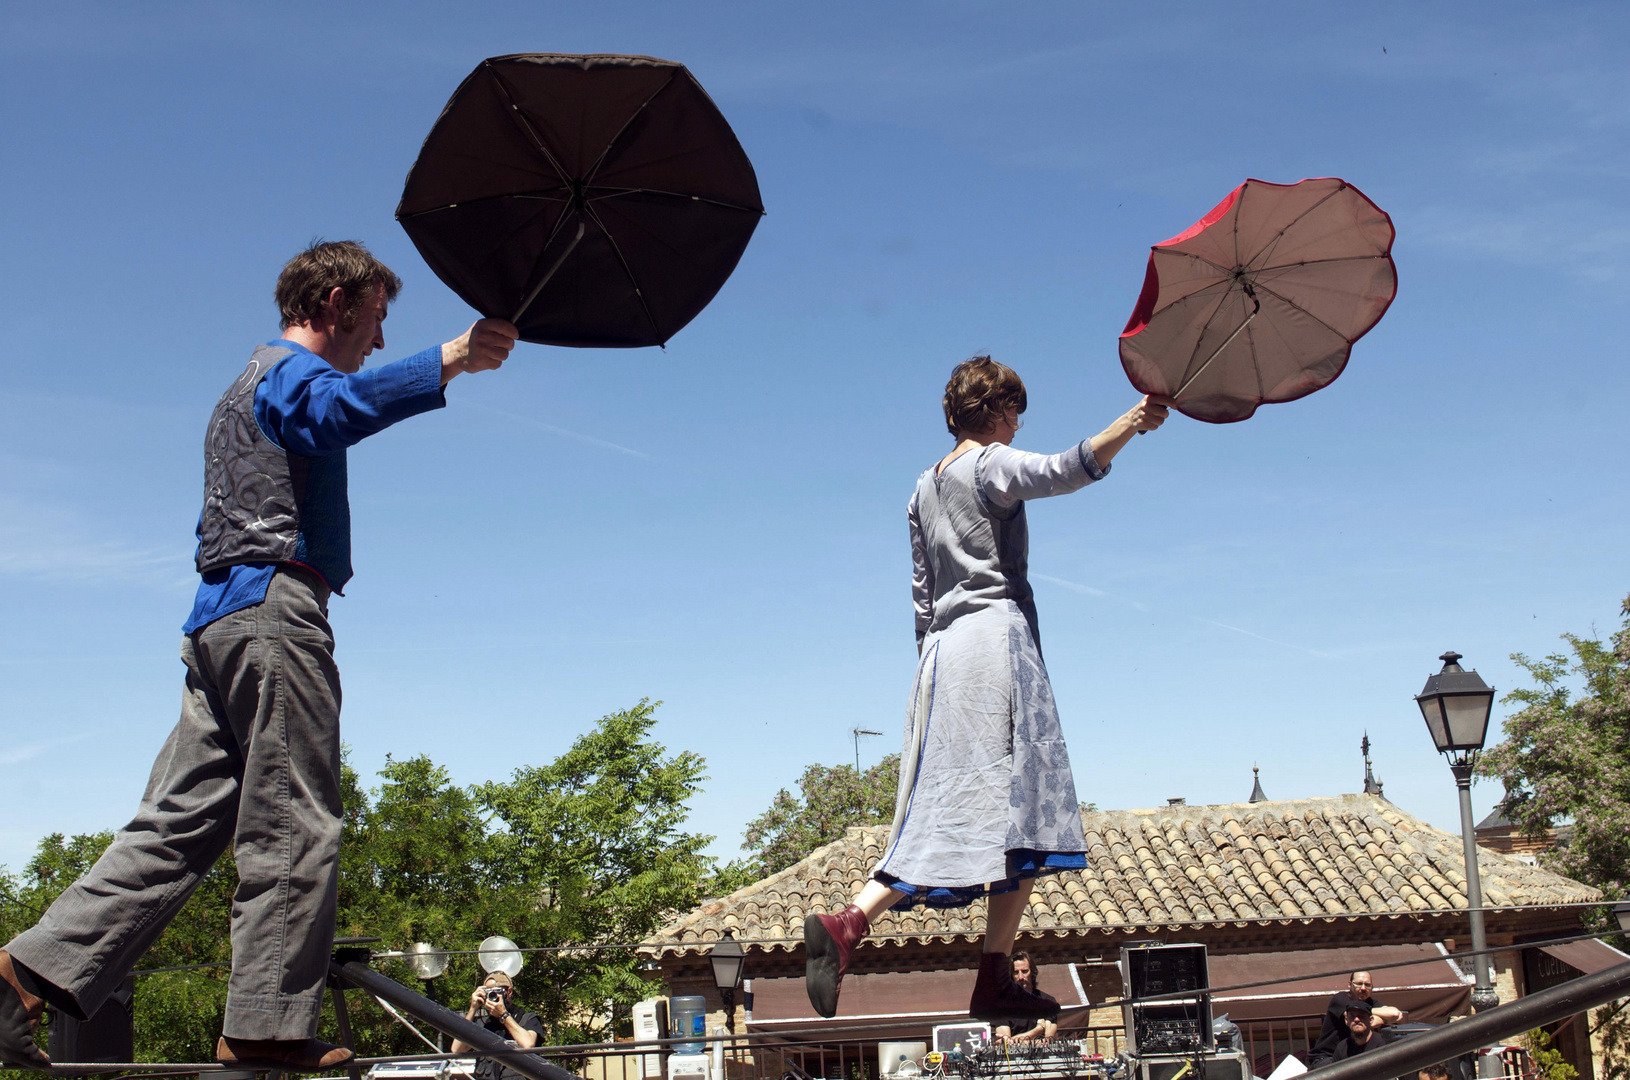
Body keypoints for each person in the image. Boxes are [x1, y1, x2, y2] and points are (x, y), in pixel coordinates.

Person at [0, 241, 518, 1072]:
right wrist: (451, 359)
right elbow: (333, 411)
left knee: (179, 824)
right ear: (338, 301)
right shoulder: (289, 374)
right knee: (294, 817)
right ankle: (265, 1028)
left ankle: (20, 977)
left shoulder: (242, 384)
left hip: (218, 623)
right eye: (377, 320)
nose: (380, 342)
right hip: (271, 617)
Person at [803, 356, 1171, 1020]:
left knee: (961, 808)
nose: (1018, 422)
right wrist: (1133, 423)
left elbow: (922, 600)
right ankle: (968, 964)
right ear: (997, 413)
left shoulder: (921, 488)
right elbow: (1063, 469)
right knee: (1019, 806)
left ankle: (879, 931)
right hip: (996, 644)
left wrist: (934, 681)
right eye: (1014, 411)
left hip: (941, 659)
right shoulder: (991, 464)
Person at [451, 972, 545, 1080]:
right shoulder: (483, 1024)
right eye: (487, 992)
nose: (491, 996)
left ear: (509, 992)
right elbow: (457, 1049)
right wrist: (473, 1008)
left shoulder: (527, 1019)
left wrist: (503, 1015)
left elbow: (528, 1044)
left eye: (495, 992)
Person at [1311, 971, 1405, 1058]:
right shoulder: (1340, 999)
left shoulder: (1370, 1003)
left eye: (1367, 985)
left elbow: (1395, 1014)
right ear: (1349, 985)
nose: (1363, 988)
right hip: (1326, 1057)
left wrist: (1373, 1015)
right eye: (1359, 984)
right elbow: (1369, 1022)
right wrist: (1384, 1019)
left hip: (1350, 1056)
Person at [993, 953, 1059, 1042]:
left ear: (1032, 972)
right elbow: (1006, 1043)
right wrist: (1038, 1029)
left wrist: (1018, 1041)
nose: (1020, 977)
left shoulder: (1048, 1002)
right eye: (1016, 972)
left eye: (1024, 971)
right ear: (1011, 975)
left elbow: (1048, 1040)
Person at [1309, 1001, 1391, 1065]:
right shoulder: (1342, 1048)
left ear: (1371, 1020)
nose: (1356, 1019)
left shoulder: (1381, 1044)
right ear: (1346, 1020)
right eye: (1352, 1016)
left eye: (1361, 1015)